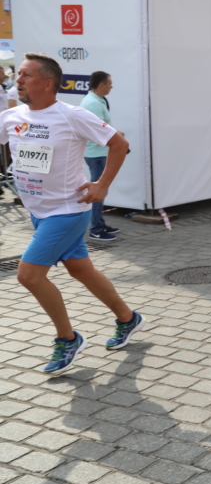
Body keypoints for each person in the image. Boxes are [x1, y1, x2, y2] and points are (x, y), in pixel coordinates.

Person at [1, 53, 145, 374]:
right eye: (18, 74)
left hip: (67, 211)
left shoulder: (71, 115)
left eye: (25, 75)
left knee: (28, 276)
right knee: (81, 271)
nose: (17, 80)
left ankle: (68, 339)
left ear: (47, 83)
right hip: (38, 212)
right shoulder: (12, 116)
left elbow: (119, 144)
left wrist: (102, 185)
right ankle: (128, 318)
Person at [80, 71, 122, 242]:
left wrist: (115, 134)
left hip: (98, 152)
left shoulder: (97, 101)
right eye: (110, 83)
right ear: (102, 85)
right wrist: (115, 136)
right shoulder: (93, 104)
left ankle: (99, 224)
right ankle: (96, 229)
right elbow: (95, 131)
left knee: (101, 189)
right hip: (96, 153)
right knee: (98, 190)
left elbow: (101, 127)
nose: (112, 86)